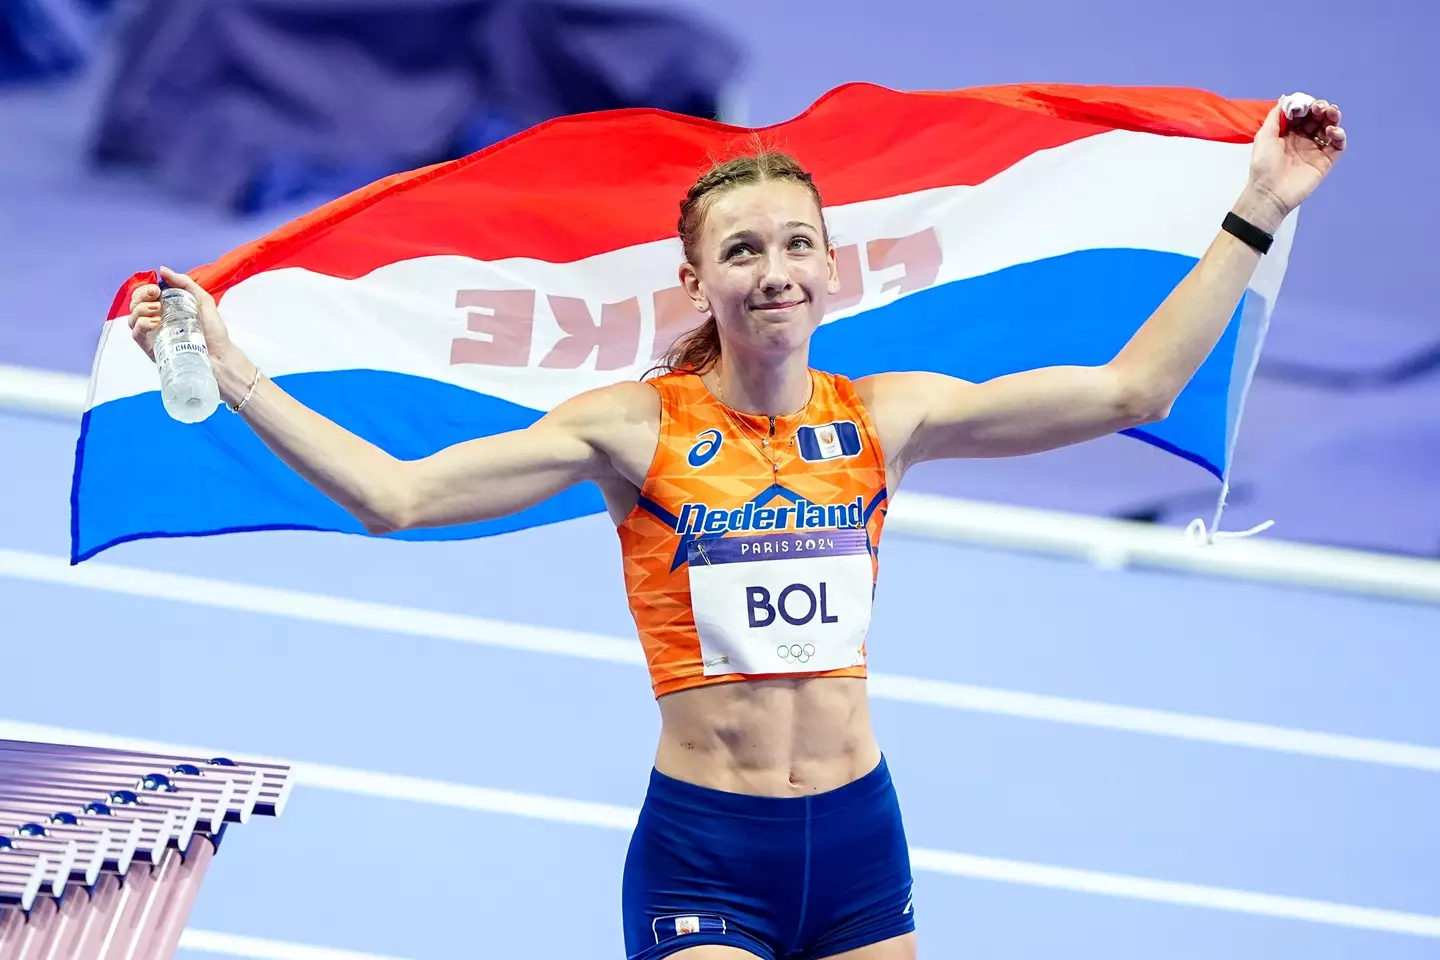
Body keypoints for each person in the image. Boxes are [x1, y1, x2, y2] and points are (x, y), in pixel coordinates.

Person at [128, 93, 1345, 960]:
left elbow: (1134, 390)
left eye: (797, 244)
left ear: (832, 268)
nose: (775, 270)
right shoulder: (630, 429)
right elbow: (395, 498)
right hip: (708, 850)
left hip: (861, 838)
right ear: (696, 280)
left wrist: (1258, 206)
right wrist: (235, 375)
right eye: (743, 250)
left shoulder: (886, 417)